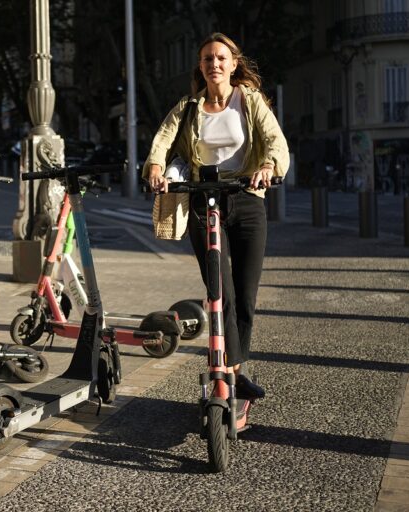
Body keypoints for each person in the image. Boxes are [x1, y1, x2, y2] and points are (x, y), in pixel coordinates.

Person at [144, 32, 289, 400]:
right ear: (201, 66)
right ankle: (227, 371)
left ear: (234, 63)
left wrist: (269, 165)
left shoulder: (250, 101)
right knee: (219, 291)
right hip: (203, 200)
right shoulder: (188, 107)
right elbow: (163, 139)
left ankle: (233, 372)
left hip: (246, 198)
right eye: (207, 59)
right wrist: (157, 166)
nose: (214, 65)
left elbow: (274, 139)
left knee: (245, 294)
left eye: (221, 58)